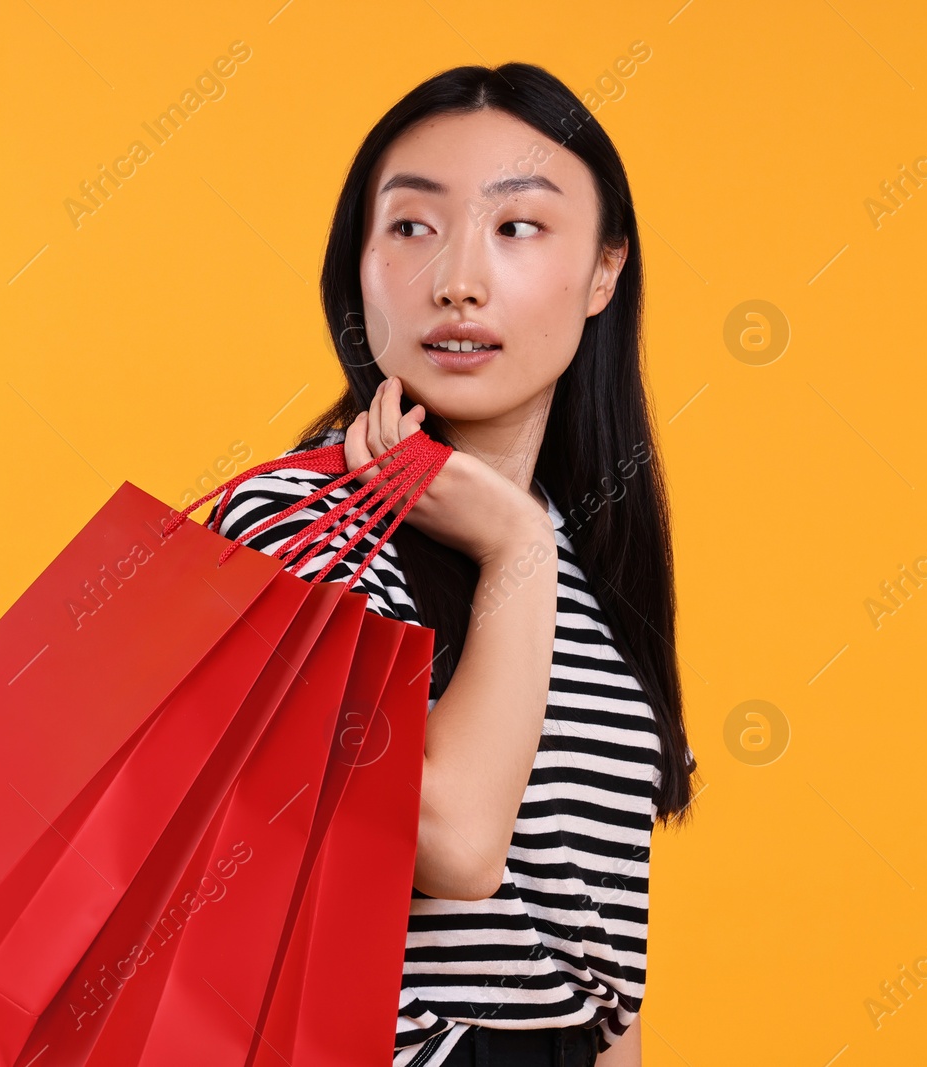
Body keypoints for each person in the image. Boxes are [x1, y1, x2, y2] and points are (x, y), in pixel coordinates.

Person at [207, 62, 698, 1066]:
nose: (456, 279)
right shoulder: (294, 523)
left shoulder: (591, 552)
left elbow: (598, 965)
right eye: (412, 227)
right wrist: (510, 544)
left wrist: (528, 537)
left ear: (604, 271)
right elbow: (453, 842)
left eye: (516, 228)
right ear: (359, 264)